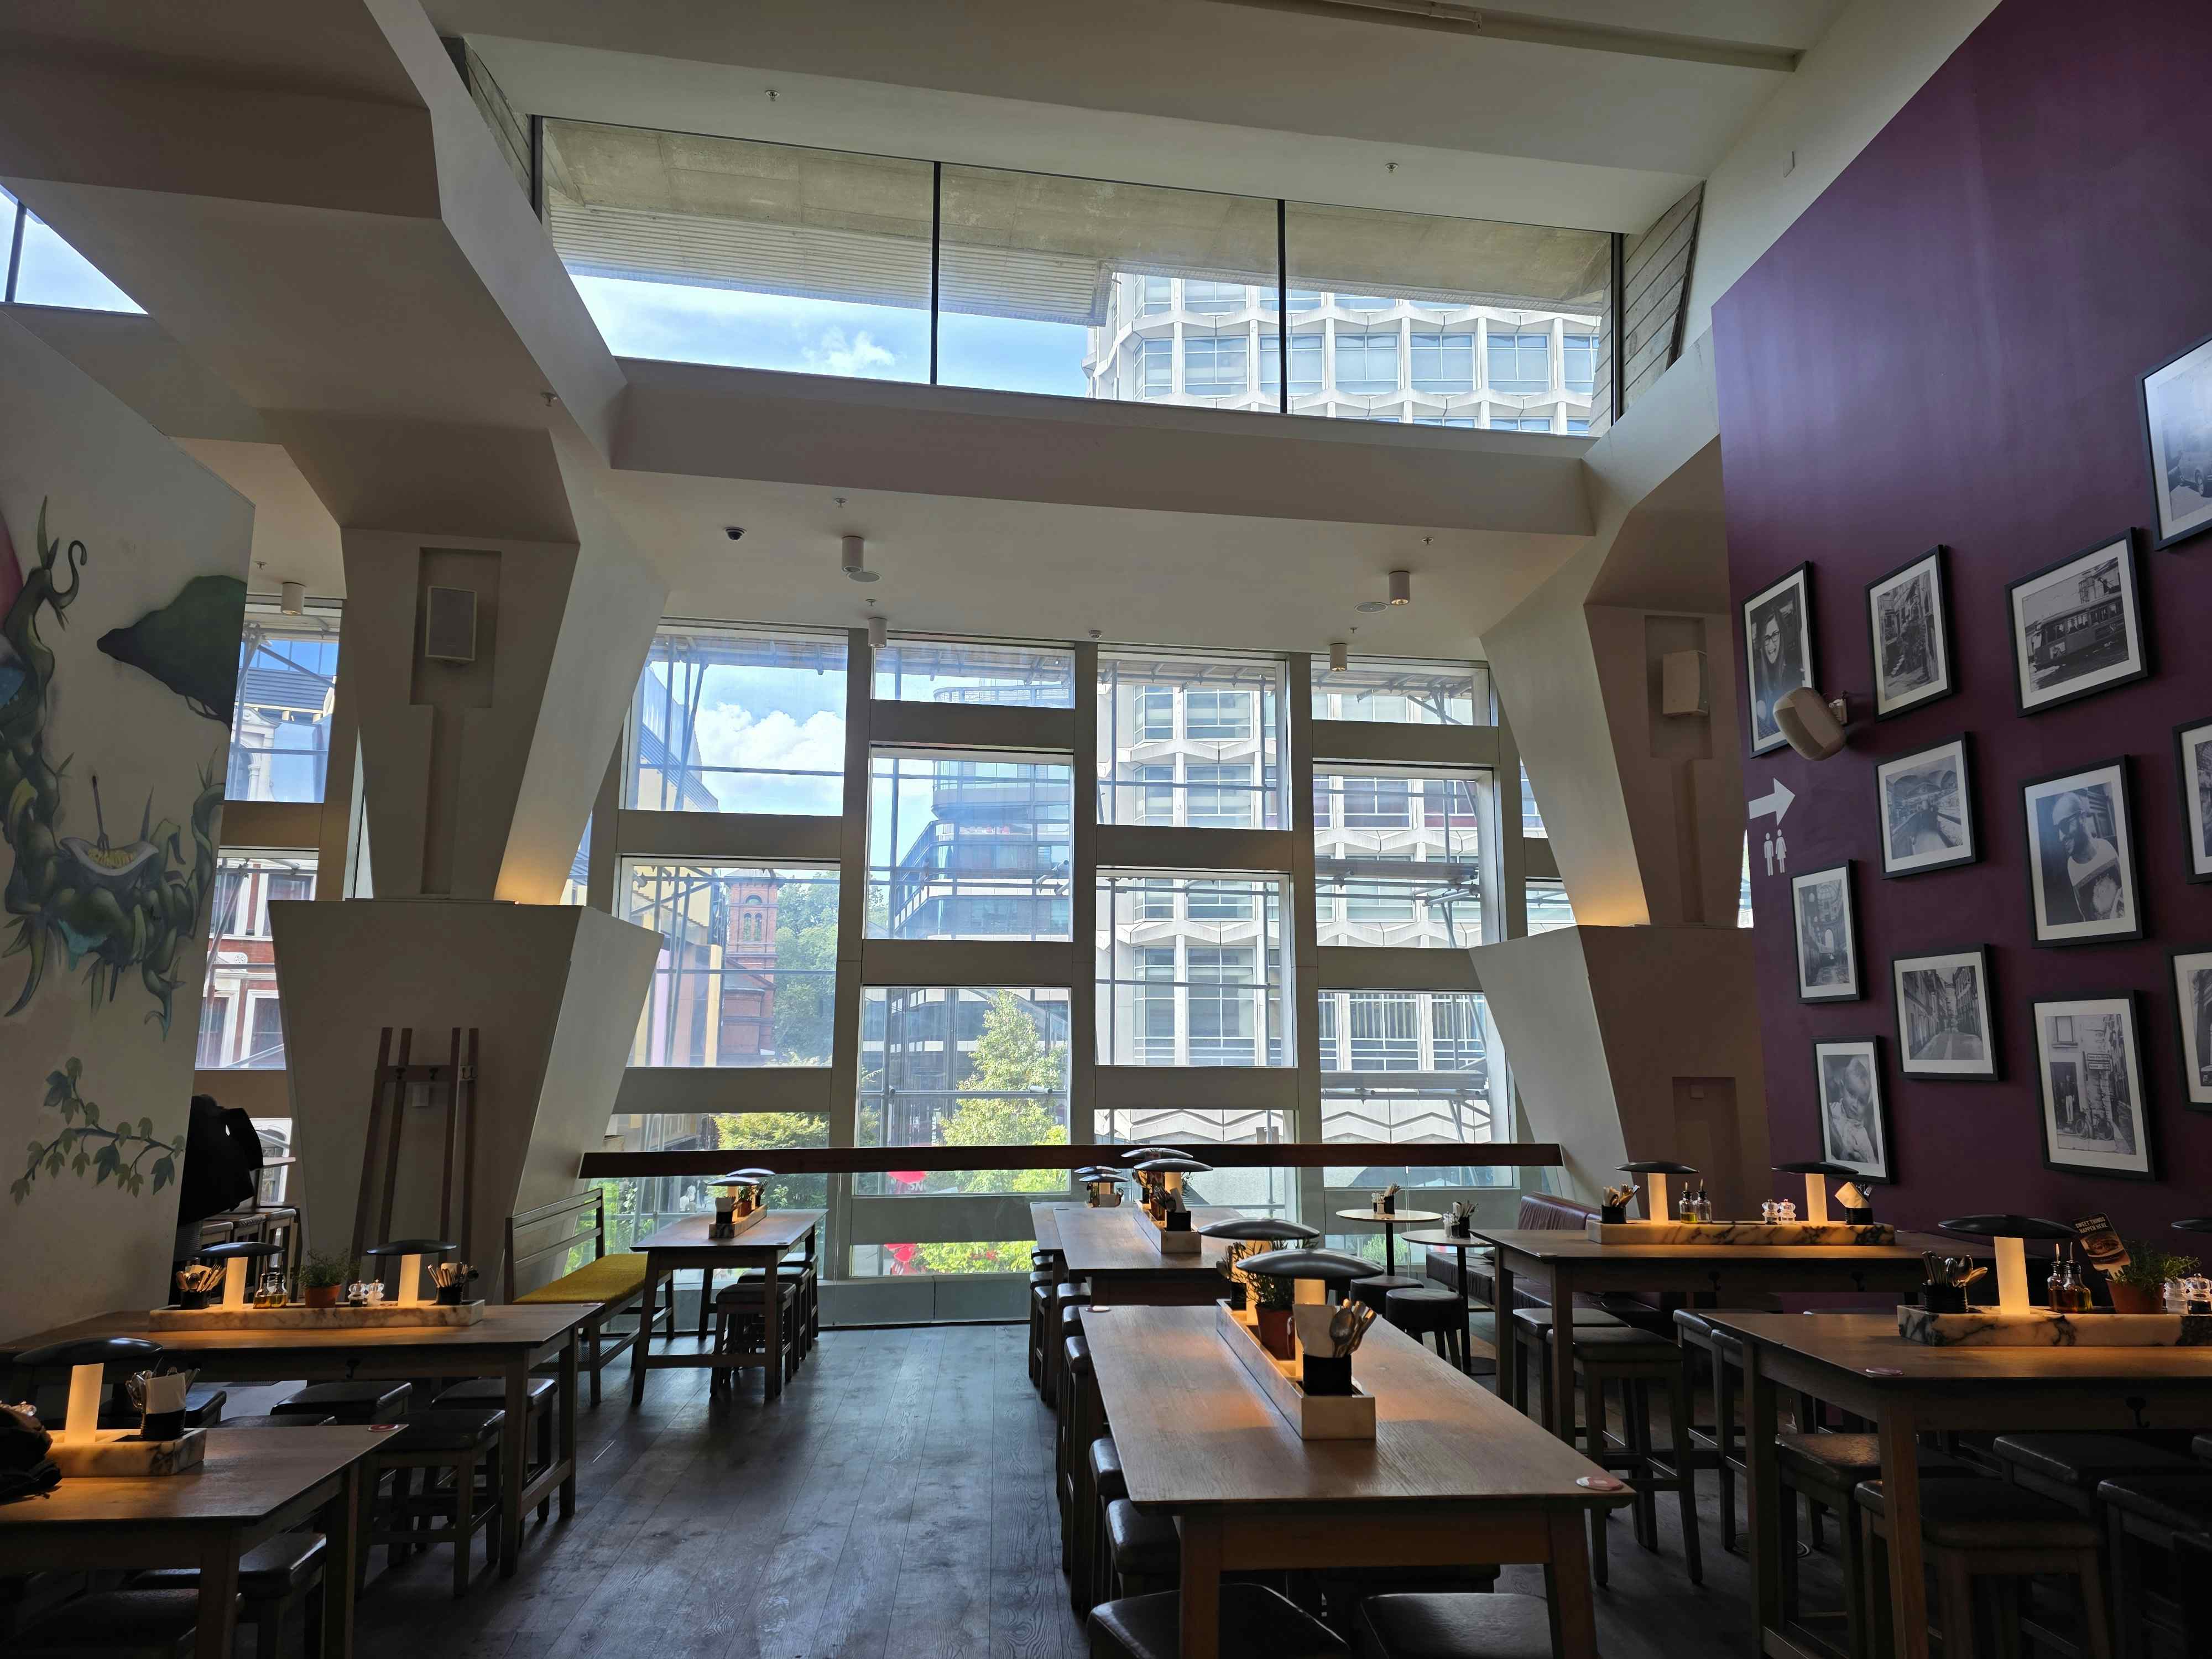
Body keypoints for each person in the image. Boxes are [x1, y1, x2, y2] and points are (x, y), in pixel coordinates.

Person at [2051, 791, 2125, 922]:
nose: (2060, 837)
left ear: (2083, 818)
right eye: (2057, 829)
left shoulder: (2118, 846)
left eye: (2064, 825)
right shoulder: (2063, 880)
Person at [1751, 604, 1799, 742]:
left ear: (1781, 634)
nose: (1771, 645)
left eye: (1775, 635)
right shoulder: (1758, 681)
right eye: (1766, 638)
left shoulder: (1792, 672)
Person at [1825, 1058, 1880, 1166]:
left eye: (1862, 1102)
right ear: (1842, 1088)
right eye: (1852, 1094)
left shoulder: (1862, 1136)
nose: (1855, 1105)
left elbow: (1872, 1164)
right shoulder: (1831, 1110)